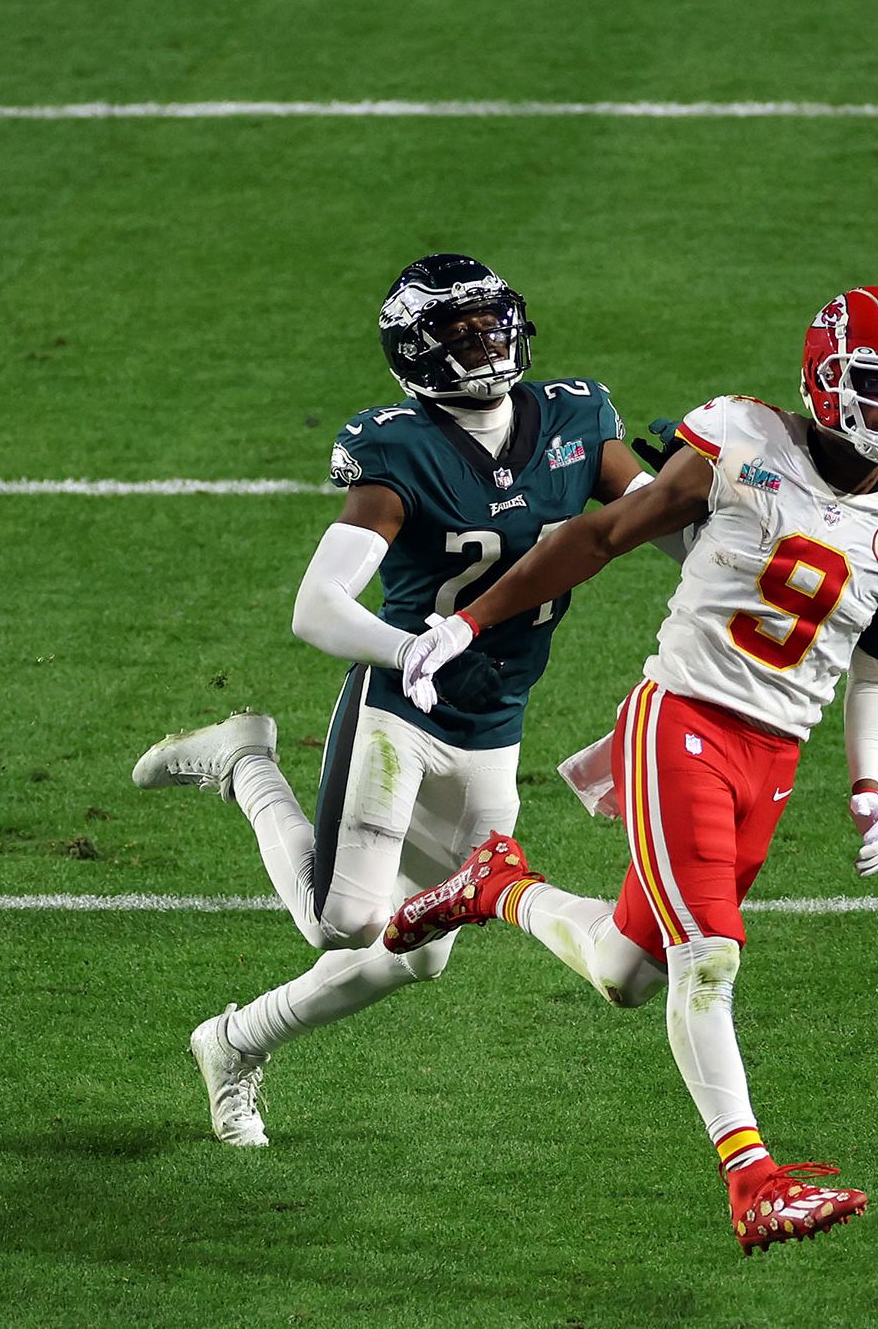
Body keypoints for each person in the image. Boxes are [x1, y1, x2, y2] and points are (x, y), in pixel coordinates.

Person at [382, 286, 878, 1254]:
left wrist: (870, 779)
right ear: (825, 378)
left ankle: (495, 884)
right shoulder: (741, 444)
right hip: (684, 721)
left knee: (624, 970)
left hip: (774, 756)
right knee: (709, 957)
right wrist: (468, 618)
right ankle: (753, 1176)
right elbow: (603, 533)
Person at [130, 254, 671, 1148]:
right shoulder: (399, 450)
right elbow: (317, 606)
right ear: (417, 353)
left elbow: (650, 516)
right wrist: (407, 645)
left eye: (493, 323)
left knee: (417, 952)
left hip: (496, 723)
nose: (485, 343)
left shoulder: (577, 418)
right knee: (341, 918)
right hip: (403, 712)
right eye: (459, 332)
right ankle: (247, 763)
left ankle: (231, 1043)